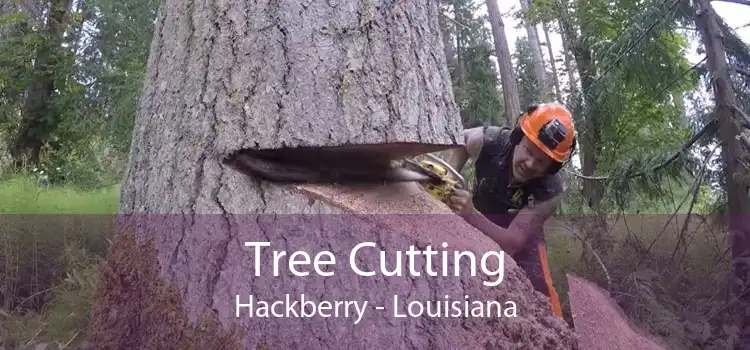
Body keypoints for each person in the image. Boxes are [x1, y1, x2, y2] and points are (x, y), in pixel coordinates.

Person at [444, 103, 577, 318]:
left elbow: (513, 243)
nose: (530, 163)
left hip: (522, 237)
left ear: (551, 167)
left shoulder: (550, 191)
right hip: (480, 217)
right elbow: (462, 140)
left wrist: (469, 213)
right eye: (528, 151)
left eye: (541, 162)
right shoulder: (491, 140)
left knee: (542, 294)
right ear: (517, 138)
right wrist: (450, 176)